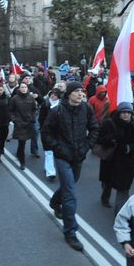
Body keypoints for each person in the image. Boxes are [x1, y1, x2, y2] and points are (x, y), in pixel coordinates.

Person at [42, 81, 98, 251]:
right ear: (69, 94)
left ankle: (54, 201)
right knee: (70, 194)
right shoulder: (56, 111)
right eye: (78, 91)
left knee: (70, 185)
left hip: (79, 156)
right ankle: (70, 232)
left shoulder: (86, 109)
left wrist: (87, 146)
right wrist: (58, 148)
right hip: (62, 157)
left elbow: (95, 128)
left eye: (83, 91)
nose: (81, 94)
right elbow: (46, 133)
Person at [97, 102, 134, 212]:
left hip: (126, 161)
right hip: (111, 159)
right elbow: (99, 139)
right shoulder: (109, 123)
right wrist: (111, 138)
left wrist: (129, 148)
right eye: (123, 112)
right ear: (119, 113)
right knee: (108, 181)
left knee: (123, 187)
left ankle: (120, 213)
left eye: (128, 112)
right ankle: (105, 197)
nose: (126, 115)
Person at [9, 81, 37, 170]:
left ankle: (19, 154)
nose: (24, 89)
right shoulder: (14, 99)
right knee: (22, 142)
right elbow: (10, 110)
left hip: (28, 123)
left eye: (25, 87)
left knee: (23, 142)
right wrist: (14, 119)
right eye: (22, 87)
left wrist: (33, 117)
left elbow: (35, 109)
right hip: (19, 123)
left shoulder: (31, 98)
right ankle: (22, 161)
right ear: (19, 88)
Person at [38, 88, 62, 180]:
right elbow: (41, 118)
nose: (53, 96)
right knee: (48, 151)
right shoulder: (45, 104)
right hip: (47, 131)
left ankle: (47, 166)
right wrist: (43, 128)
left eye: (55, 94)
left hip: (58, 132)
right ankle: (51, 172)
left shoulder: (62, 105)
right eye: (52, 94)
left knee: (56, 151)